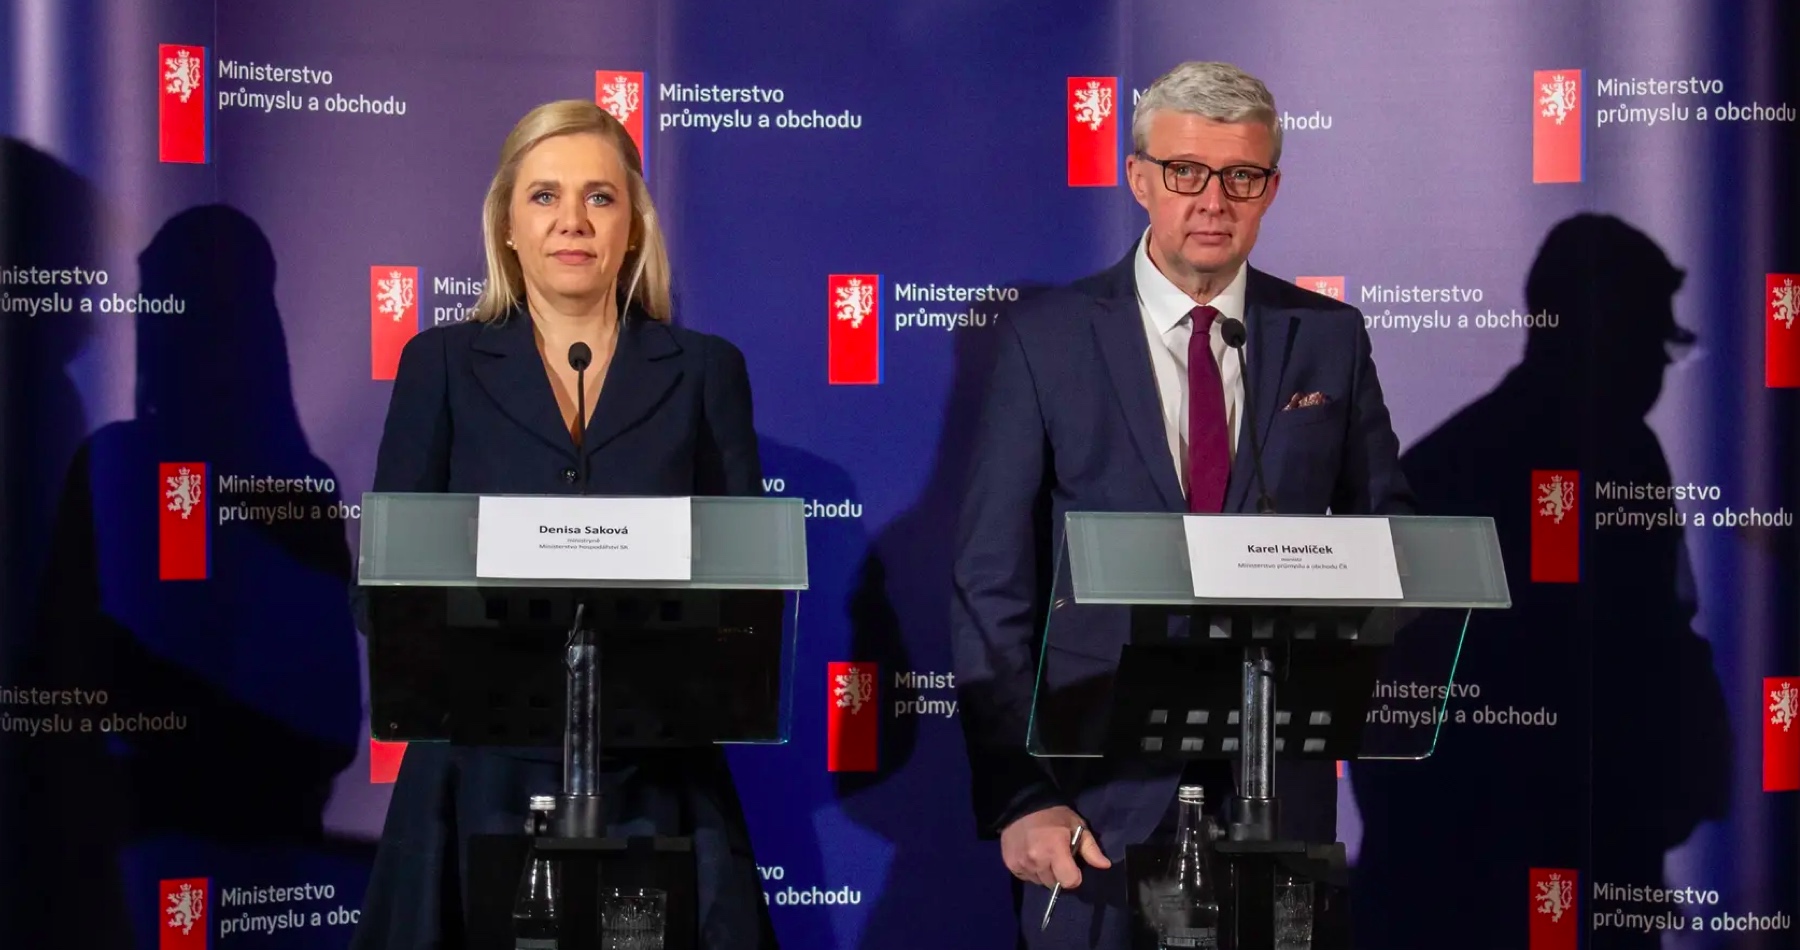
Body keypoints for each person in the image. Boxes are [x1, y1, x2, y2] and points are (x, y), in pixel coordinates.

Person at [950, 61, 1414, 948]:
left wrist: (1332, 654)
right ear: (1139, 178)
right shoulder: (1047, 339)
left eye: (1241, 177)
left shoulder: (1328, 338)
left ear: (1271, 188)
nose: (1213, 201)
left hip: (1275, 789)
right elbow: (991, 584)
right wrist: (1021, 792)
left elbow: (1390, 540)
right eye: (1186, 172)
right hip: (1093, 799)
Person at [350, 100, 778, 950]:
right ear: (507, 226)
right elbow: (387, 590)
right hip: (476, 775)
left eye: (600, 197)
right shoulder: (440, 365)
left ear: (633, 226)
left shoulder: (706, 370)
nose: (572, 221)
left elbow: (747, 595)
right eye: (544, 196)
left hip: (654, 777)